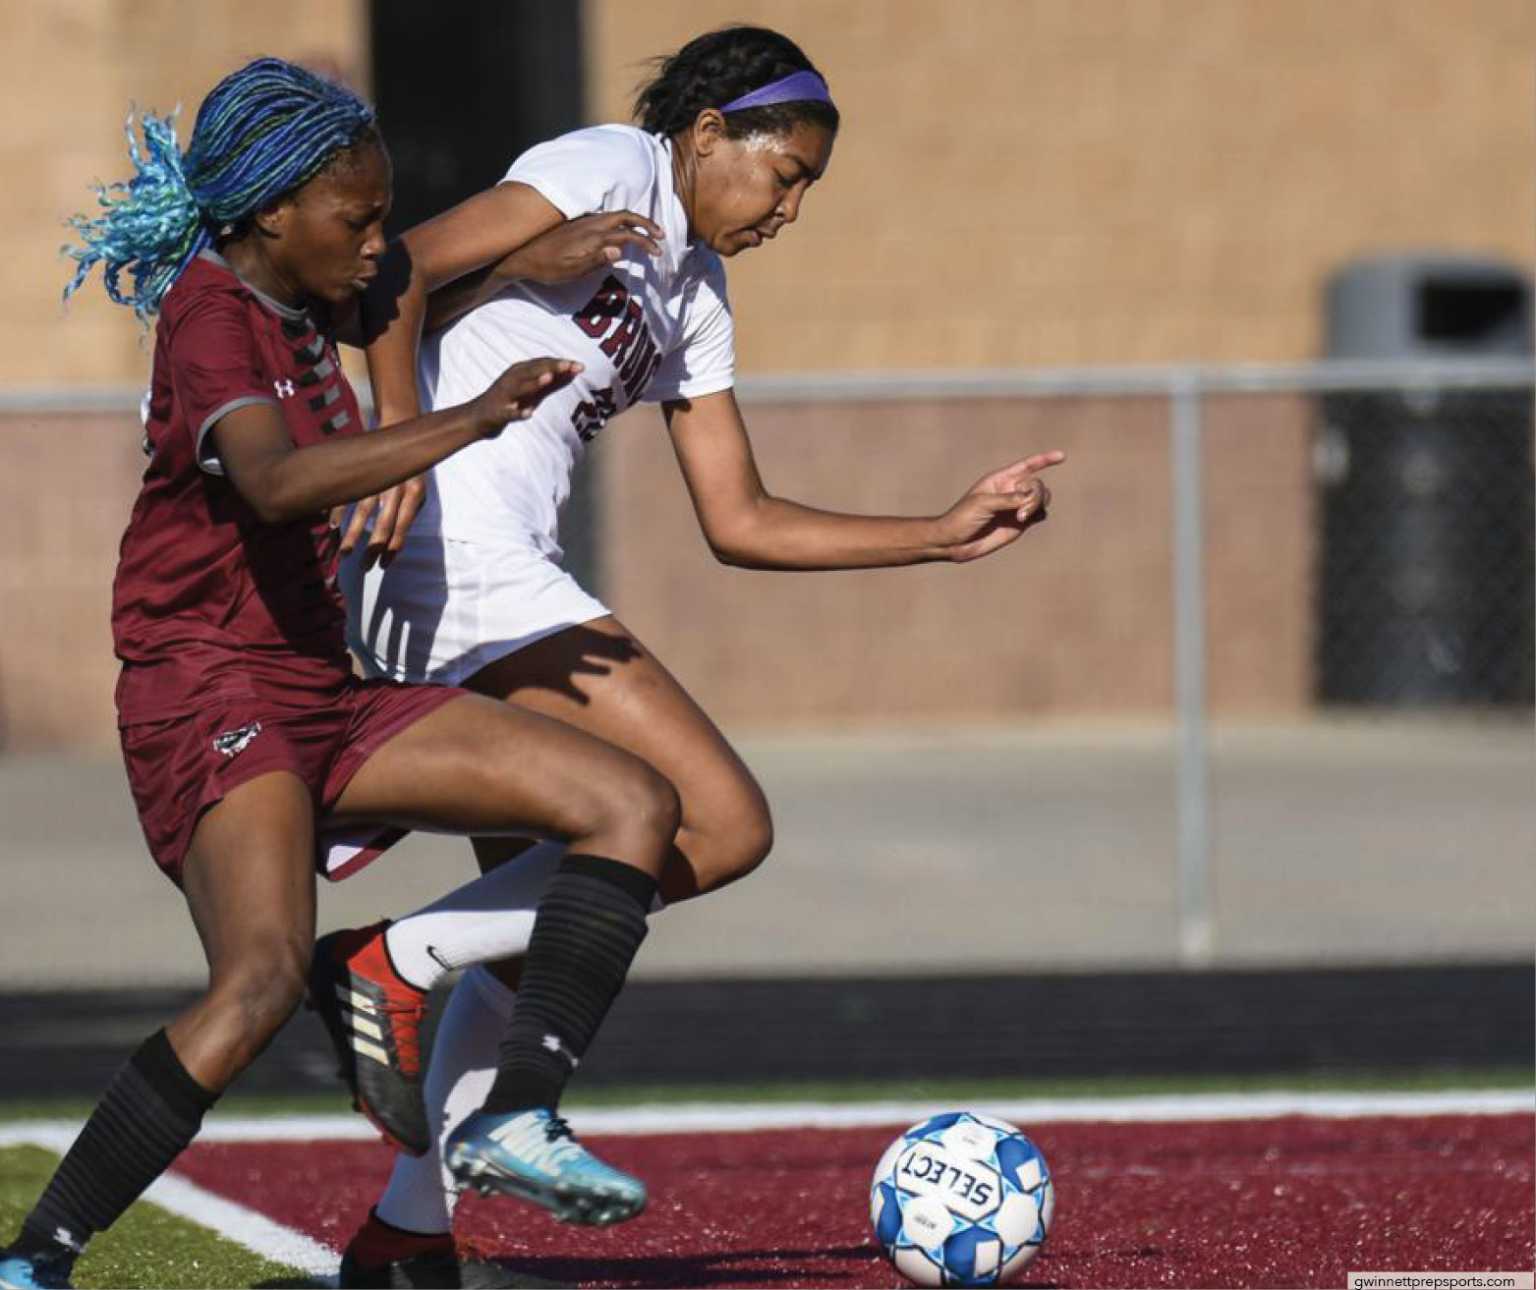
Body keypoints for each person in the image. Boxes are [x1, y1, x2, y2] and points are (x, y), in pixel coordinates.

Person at [322, 24, 1065, 1287]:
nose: (790, 208)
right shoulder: (610, 162)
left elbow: (742, 520)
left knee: (544, 917)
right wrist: (437, 391)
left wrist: (941, 535)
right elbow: (372, 277)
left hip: (489, 571)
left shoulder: (698, 294)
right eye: (788, 175)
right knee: (718, 821)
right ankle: (393, 959)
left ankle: (407, 1234)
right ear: (709, 133)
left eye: (808, 190)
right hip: (452, 547)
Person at [0, 57, 681, 1290]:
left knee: (630, 803)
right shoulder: (211, 314)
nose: (380, 244)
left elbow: (412, 280)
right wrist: (462, 421)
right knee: (256, 982)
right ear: (271, 213)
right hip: (207, 690)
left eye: (378, 218)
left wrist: (522, 264)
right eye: (357, 221)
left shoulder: (310, 285)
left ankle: (518, 1109)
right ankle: (34, 1256)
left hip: (322, 685)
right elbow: (268, 480)